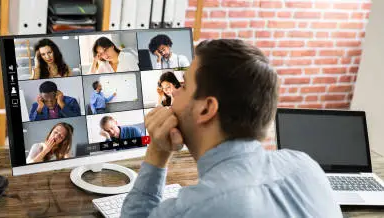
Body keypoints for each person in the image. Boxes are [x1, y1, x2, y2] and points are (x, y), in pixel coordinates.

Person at [121, 39, 341, 217]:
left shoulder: (197, 207)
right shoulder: (305, 167)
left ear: (206, 109)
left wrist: (157, 152)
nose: (175, 92)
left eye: (184, 86)